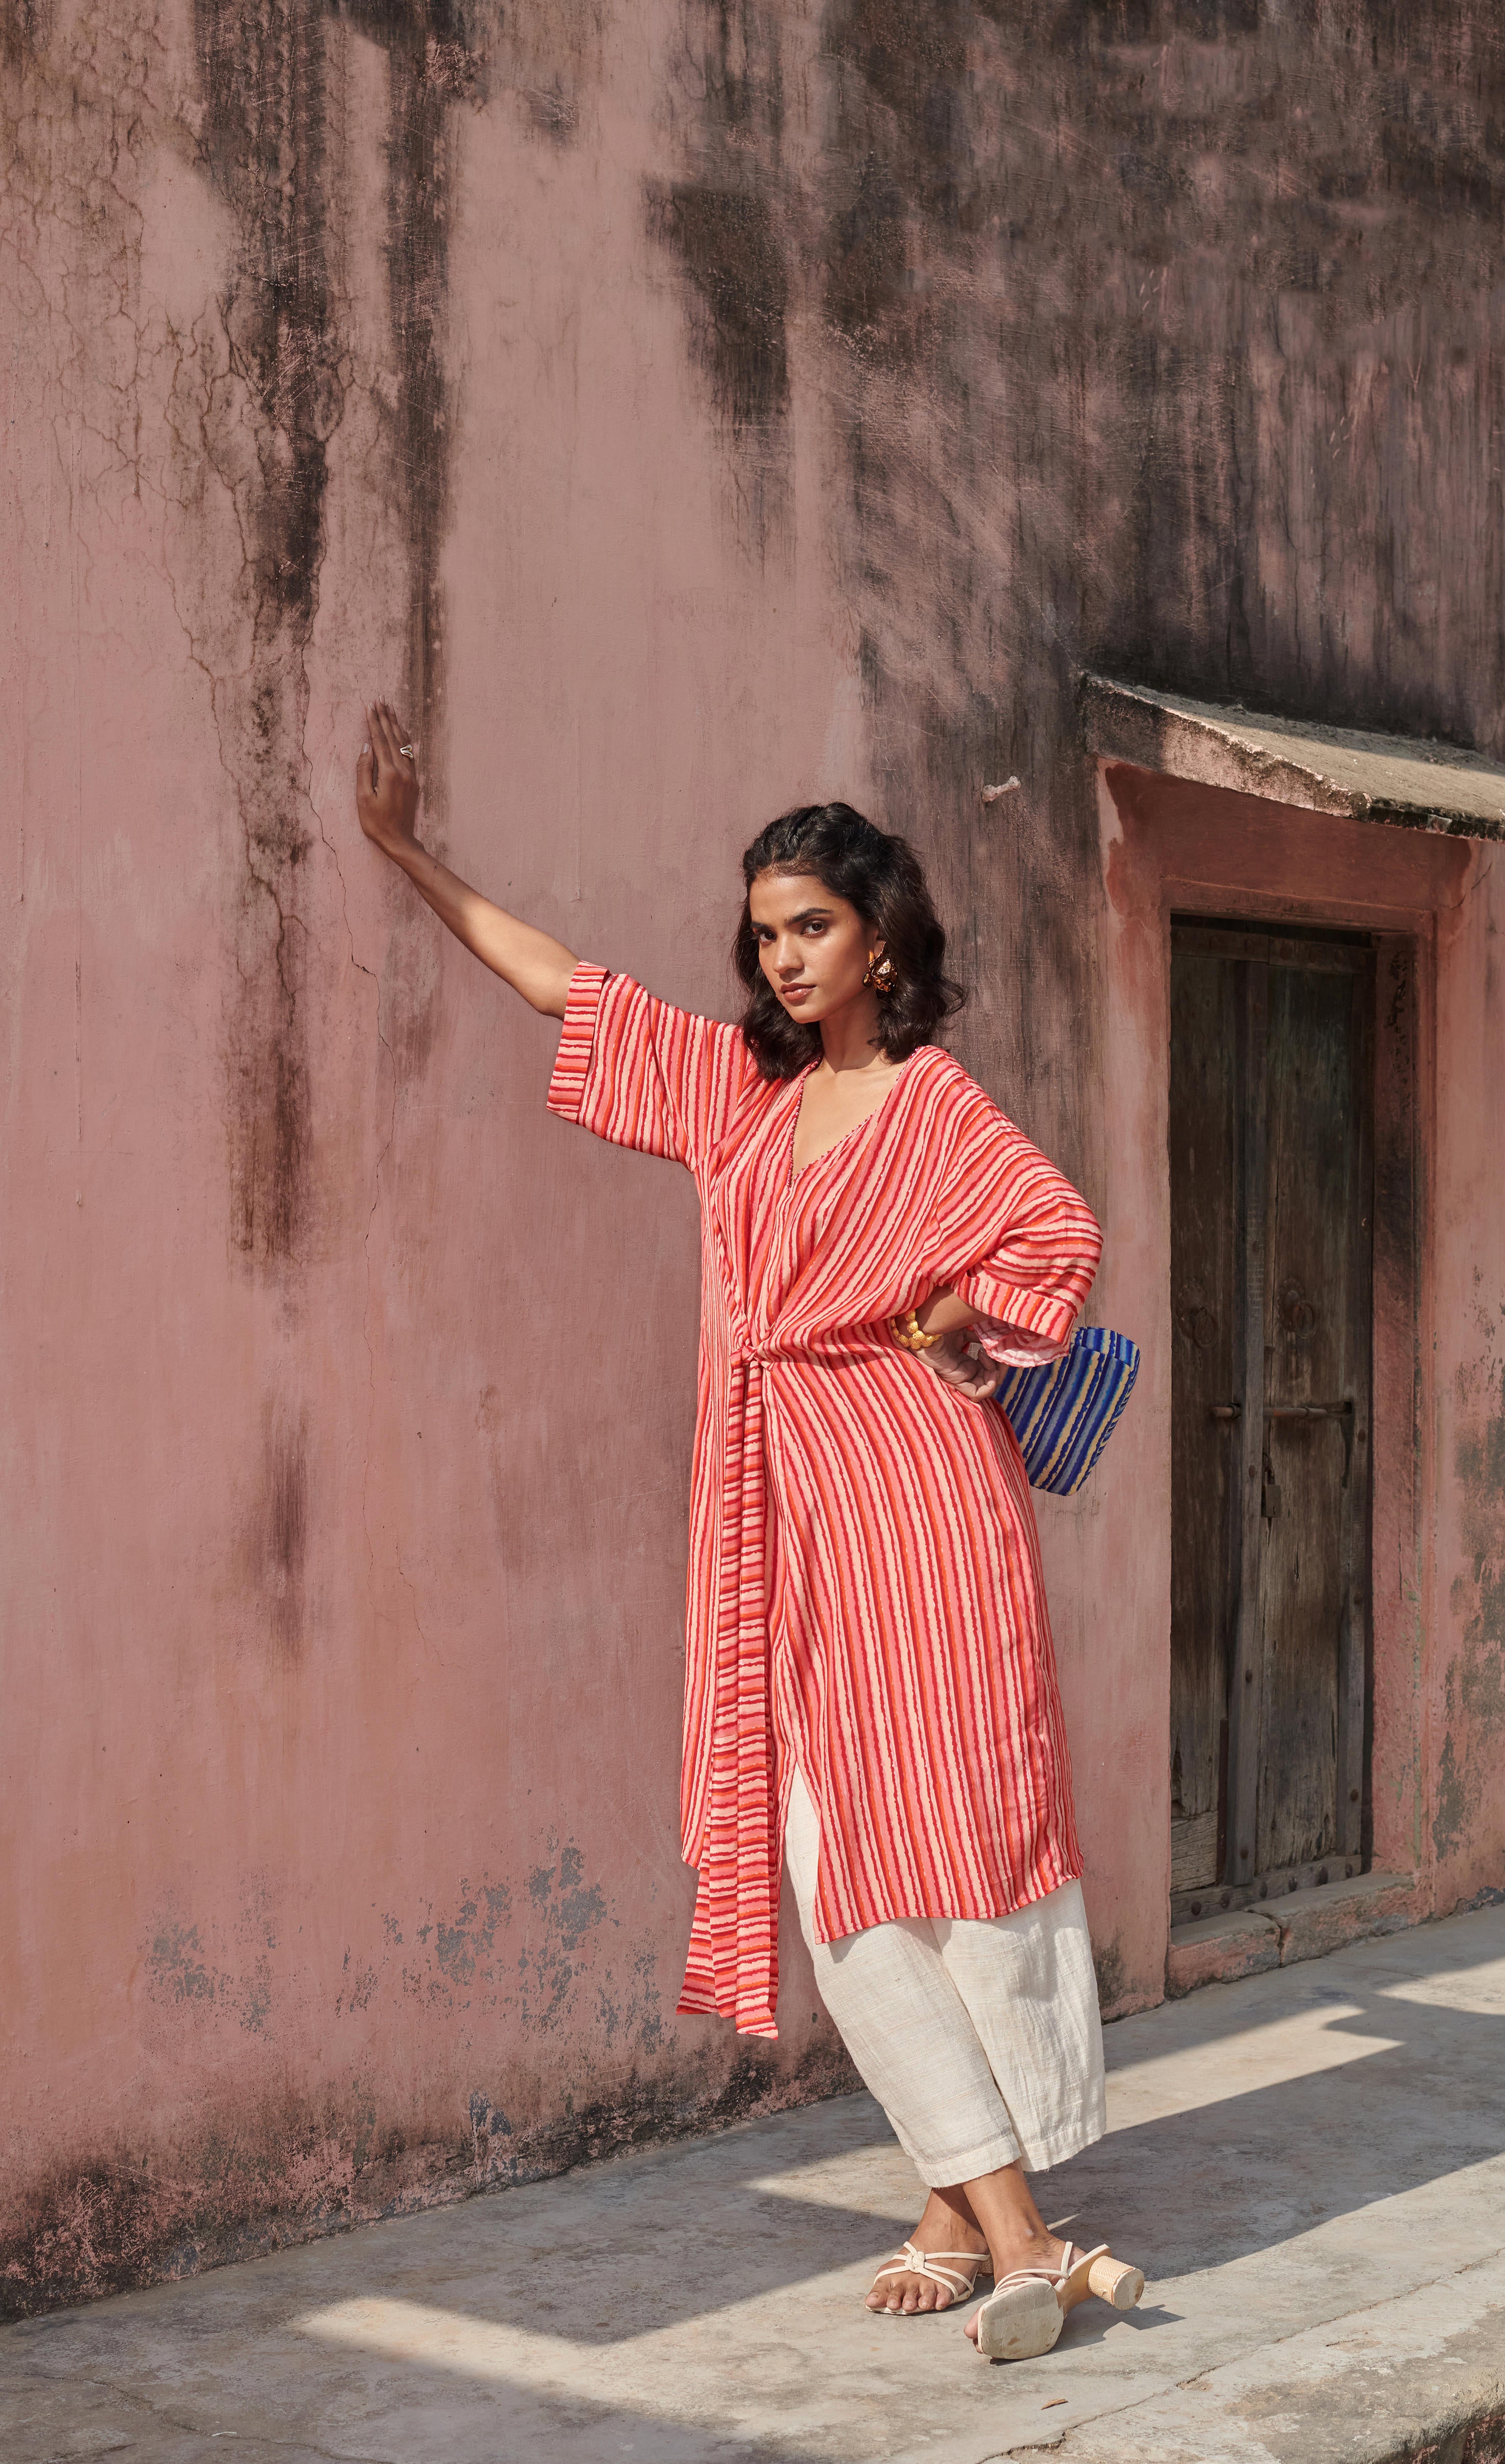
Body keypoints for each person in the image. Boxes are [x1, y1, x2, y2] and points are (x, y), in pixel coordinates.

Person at [355, 701, 1130, 2363]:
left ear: (878, 940)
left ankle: (978, 2215)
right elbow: (565, 986)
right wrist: (407, 852)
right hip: (780, 1514)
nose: (781, 957)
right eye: (764, 930)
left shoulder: (934, 1104)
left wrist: (956, 1310)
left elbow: (1053, 1233)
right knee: (829, 1856)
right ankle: (1010, 2224)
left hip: (925, 1505)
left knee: (955, 1837)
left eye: (811, 926)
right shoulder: (735, 1094)